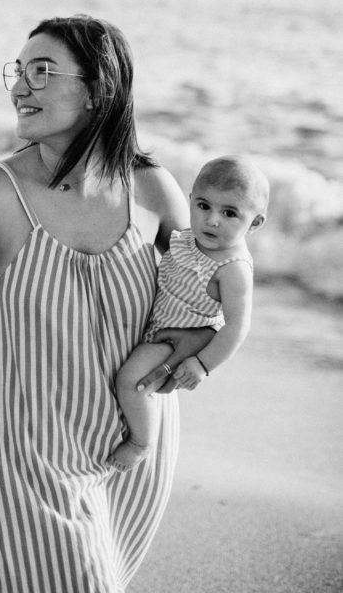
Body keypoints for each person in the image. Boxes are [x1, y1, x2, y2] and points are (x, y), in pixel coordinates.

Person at [0, 14, 213, 593]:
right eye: (18, 71)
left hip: (138, 444)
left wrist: (200, 354)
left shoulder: (151, 189)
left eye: (42, 71)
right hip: (41, 447)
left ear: (98, 88)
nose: (20, 87)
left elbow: (202, 298)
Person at [110, 155, 267, 472]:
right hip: (158, 326)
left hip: (175, 340)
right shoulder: (187, 240)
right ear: (191, 200)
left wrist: (201, 364)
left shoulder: (232, 268)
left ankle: (142, 441)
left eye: (230, 213)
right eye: (204, 206)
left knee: (130, 382)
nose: (212, 220)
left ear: (255, 223)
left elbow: (237, 326)